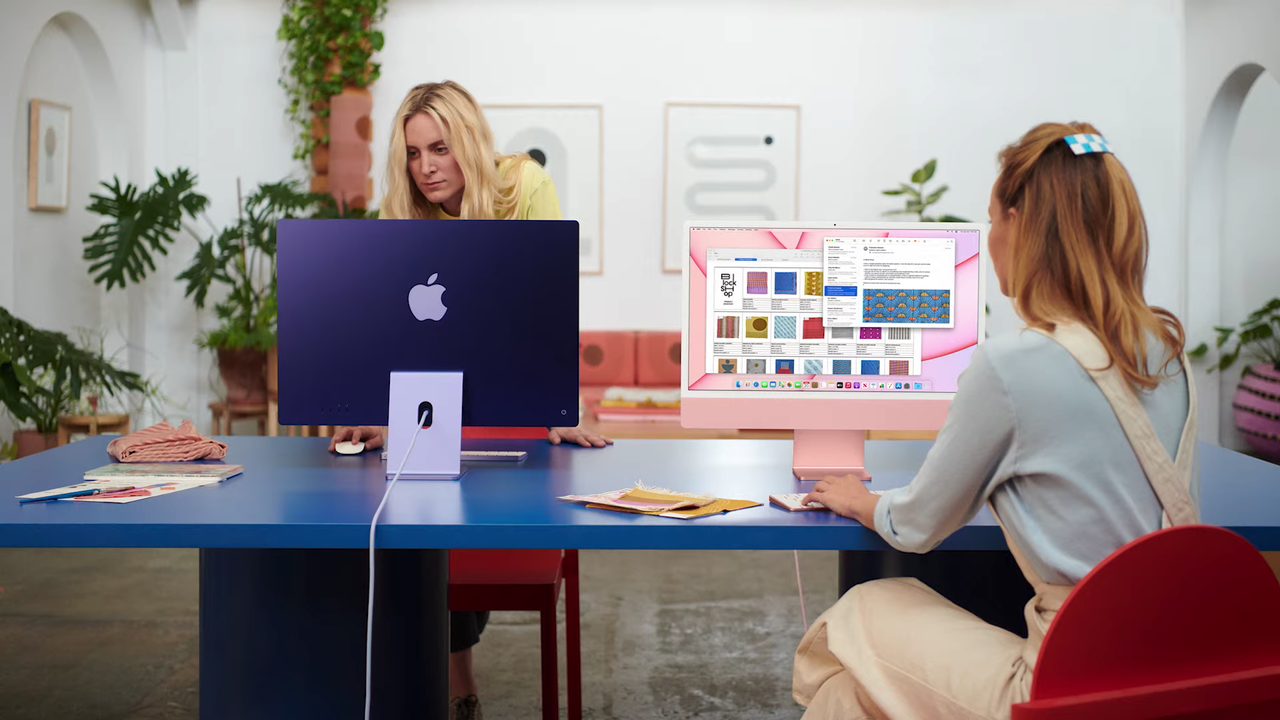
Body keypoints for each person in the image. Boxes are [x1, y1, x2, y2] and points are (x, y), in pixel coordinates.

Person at [792, 122, 1198, 719]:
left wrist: (858, 499)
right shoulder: (1169, 351)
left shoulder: (1013, 366)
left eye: (992, 219)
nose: (989, 238)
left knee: (864, 608)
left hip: (1061, 681)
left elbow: (919, 525)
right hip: (1172, 670)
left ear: (1022, 227)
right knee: (847, 697)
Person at [328, 80, 612, 720]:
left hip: (511, 386)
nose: (425, 167)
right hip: (435, 390)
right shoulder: (401, 211)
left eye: (439, 149)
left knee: (482, 507)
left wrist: (559, 406)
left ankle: (453, 672)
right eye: (411, 153)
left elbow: (547, 306)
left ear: (469, 143)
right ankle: (459, 682)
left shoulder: (523, 185)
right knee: (419, 507)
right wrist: (381, 412)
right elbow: (389, 331)